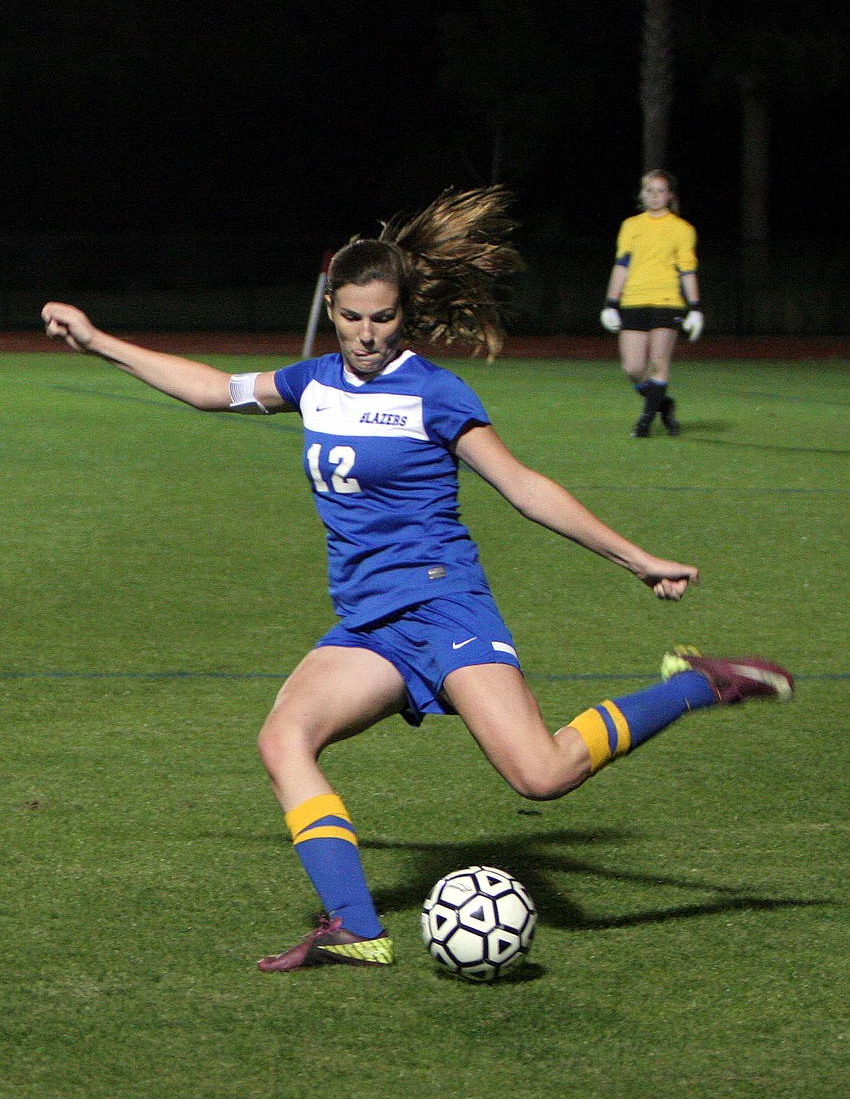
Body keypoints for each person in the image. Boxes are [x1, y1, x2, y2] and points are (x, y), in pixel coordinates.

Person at [42, 186, 792, 974]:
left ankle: (697, 683)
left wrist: (635, 558)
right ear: (331, 308)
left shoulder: (434, 391)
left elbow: (523, 486)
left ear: (404, 312)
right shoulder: (313, 382)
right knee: (283, 738)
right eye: (352, 316)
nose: (367, 333)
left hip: (443, 607)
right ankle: (355, 925)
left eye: (383, 317)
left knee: (542, 775)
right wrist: (98, 342)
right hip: (370, 625)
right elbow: (211, 389)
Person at [600, 169, 703, 438]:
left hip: (667, 301)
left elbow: (687, 270)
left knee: (658, 363)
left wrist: (695, 307)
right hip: (633, 300)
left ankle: (644, 422)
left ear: (669, 195)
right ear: (642, 195)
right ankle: (663, 404)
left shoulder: (682, 229)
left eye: (661, 191)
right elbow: (621, 265)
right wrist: (611, 303)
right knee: (633, 368)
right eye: (649, 191)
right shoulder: (631, 226)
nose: (655, 196)